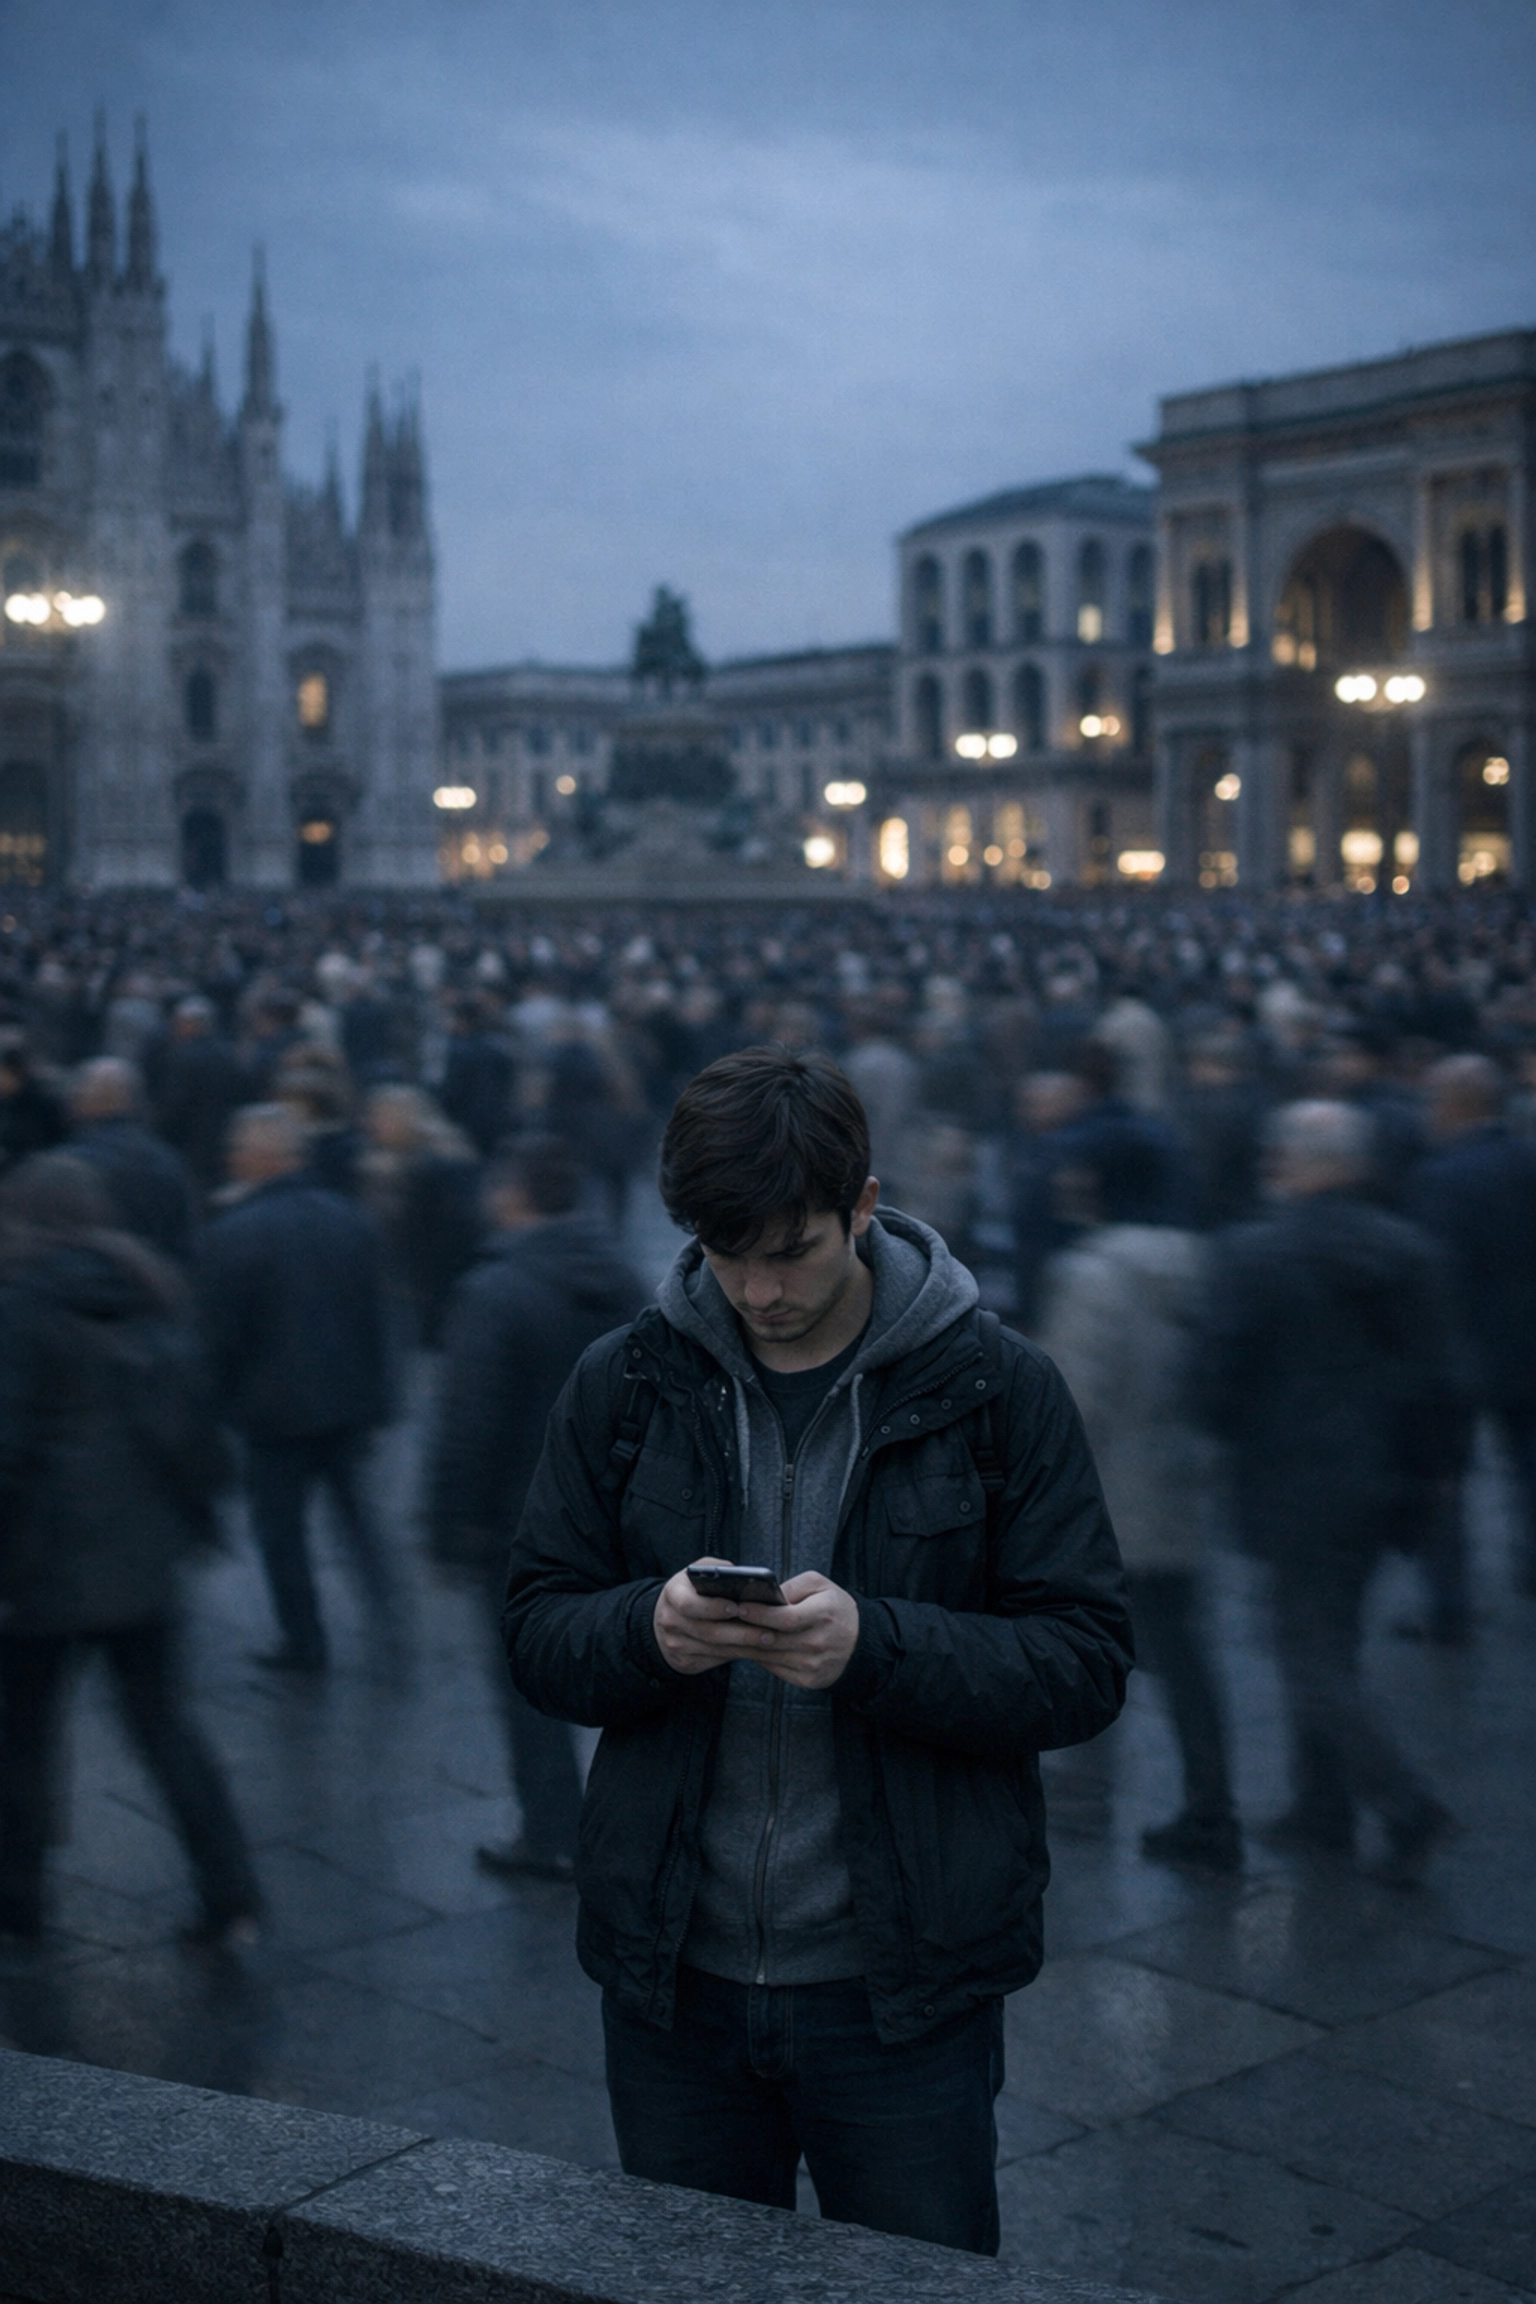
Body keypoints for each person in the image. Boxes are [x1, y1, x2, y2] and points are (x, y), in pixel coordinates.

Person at [504, 1047, 1131, 2256]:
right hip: (672, 1977)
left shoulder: (1000, 1392)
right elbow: (536, 1632)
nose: (758, 1290)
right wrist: (646, 1631)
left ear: (864, 1207)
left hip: (902, 1990)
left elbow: (1086, 1659)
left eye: (789, 1252)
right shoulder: (623, 1382)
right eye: (723, 1254)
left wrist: (875, 1646)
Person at [1193, 1100, 1462, 1882]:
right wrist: (1437, 1479)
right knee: (1330, 1644)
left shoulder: (1256, 1253)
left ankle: (1408, 1805)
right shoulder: (1409, 1250)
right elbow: (1444, 1379)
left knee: (1310, 1658)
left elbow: (1214, 1378)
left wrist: (1227, 1426)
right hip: (1387, 1479)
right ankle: (1322, 1808)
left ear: (1298, 1165)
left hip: (1293, 1481)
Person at [0, 1153, 260, 1948]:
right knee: (165, 1729)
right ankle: (232, 1893)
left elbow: (7, 1451)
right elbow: (190, 1427)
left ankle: (19, 1907)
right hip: (143, 1560)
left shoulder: (19, 1306)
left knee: (23, 1738)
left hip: (42, 1567)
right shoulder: (148, 1289)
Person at [427, 1135, 646, 1881]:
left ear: (514, 1197)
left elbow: (469, 1421)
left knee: (530, 1684)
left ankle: (552, 1829)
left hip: (521, 1522)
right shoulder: (619, 1279)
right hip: (611, 1510)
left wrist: (450, 1523)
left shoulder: (494, 1289)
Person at [1039, 1136, 1239, 1872]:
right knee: (1186, 1655)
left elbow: (1072, 1398)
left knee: (1092, 1642)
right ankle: (1211, 1803)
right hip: (1182, 1485)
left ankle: (1084, 1795)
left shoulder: (1093, 1273)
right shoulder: (1204, 1263)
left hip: (1109, 1493)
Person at [199, 1104, 394, 1672]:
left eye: (239, 1150)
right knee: (356, 1517)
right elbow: (376, 1319)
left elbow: (220, 1337)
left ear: (262, 1158)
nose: (231, 1159)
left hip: (274, 1413)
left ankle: (304, 1638)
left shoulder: (233, 1234)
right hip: (346, 1402)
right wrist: (379, 1400)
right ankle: (388, 1614)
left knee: (282, 1533)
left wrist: (215, 1407)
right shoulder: (348, 1217)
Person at [1410, 1053, 1536, 1604]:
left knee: (1444, 1483)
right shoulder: (1527, 1161)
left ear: (1452, 1106)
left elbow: (1433, 1275)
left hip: (1459, 1349)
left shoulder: (1438, 1177)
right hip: (1526, 1341)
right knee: (1528, 1466)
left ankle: (1448, 1602)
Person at [68, 1056, 198, 1264]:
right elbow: (184, 1240)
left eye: (79, 1090)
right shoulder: (168, 1161)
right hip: (153, 1283)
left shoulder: (73, 1163)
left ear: (89, 1100)